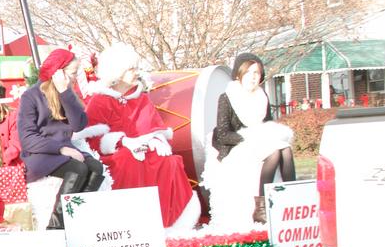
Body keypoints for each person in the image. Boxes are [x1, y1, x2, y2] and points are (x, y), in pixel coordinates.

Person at [85, 43, 199, 231]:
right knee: (127, 160)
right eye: (132, 69)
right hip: (114, 154)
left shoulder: (140, 97)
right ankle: (134, 224)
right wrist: (123, 142)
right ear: (118, 72)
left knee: (167, 161)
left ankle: (170, 223)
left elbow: (153, 125)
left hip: (143, 149)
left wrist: (155, 139)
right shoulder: (100, 100)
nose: (137, 72)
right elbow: (94, 138)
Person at [18, 48, 106, 229]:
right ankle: (56, 226)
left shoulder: (66, 92)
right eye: (73, 73)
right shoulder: (31, 96)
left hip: (65, 150)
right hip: (41, 153)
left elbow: (79, 125)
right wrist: (61, 149)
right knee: (78, 169)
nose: (75, 77)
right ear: (58, 72)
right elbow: (27, 139)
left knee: (96, 167)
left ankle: (77, 220)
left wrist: (65, 92)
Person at [205, 52, 295, 225]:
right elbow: (223, 134)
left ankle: (291, 198)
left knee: (286, 150)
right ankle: (261, 208)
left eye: (257, 73)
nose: (253, 77)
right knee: (275, 153)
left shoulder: (262, 96)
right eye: (248, 73)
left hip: (260, 142)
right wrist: (251, 138)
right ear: (239, 74)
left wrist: (265, 137)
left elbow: (268, 125)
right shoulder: (227, 97)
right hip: (237, 144)